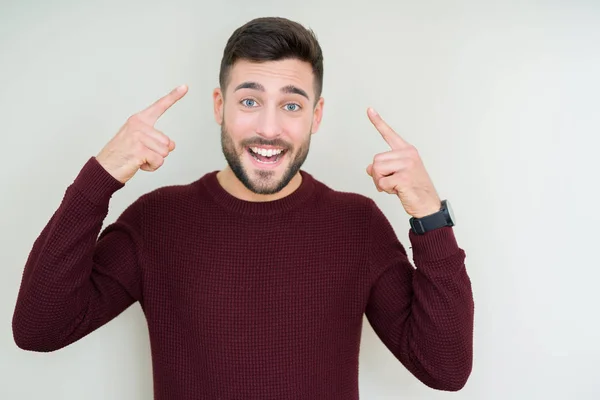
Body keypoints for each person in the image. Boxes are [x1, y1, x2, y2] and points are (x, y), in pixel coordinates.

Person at [12, 16, 474, 399]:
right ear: (219, 106)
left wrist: (430, 217)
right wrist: (100, 177)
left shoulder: (357, 225)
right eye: (249, 101)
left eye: (291, 106)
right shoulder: (157, 221)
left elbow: (445, 368)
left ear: (316, 115)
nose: (268, 128)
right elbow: (39, 329)